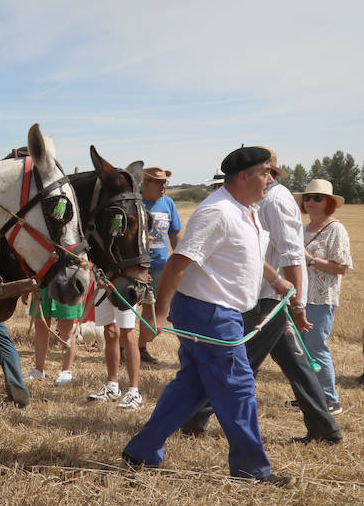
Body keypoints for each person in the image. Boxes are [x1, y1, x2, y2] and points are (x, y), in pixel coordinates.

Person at [121, 146, 291, 485]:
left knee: (192, 386)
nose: (270, 179)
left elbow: (248, 256)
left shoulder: (247, 210)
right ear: (243, 176)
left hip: (219, 310)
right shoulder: (218, 212)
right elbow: (177, 263)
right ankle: (251, 469)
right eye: (266, 172)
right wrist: (160, 314)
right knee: (238, 387)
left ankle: (140, 451)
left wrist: (274, 278)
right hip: (209, 313)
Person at [180, 151, 341, 444]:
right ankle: (324, 428)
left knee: (237, 361)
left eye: (268, 173)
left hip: (268, 297)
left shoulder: (277, 200)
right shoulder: (254, 200)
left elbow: (291, 253)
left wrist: (297, 303)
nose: (266, 178)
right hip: (261, 293)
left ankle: (195, 417)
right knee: (294, 362)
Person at [298, 179, 351, 412]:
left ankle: (330, 399)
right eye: (307, 198)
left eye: (317, 198)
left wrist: (310, 259)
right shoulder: (303, 228)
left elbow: (342, 267)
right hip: (299, 297)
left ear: (328, 202)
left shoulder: (335, 229)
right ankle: (311, 396)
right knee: (301, 349)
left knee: (317, 346)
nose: (310, 202)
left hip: (321, 298)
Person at [136, 167, 182, 364]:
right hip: (136, 266)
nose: (164, 186)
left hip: (159, 267)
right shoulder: (135, 202)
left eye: (165, 182)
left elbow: (175, 233)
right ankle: (123, 348)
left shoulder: (168, 203)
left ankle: (140, 348)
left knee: (150, 308)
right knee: (127, 308)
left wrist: (181, 258)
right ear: (146, 183)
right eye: (159, 182)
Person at [87, 291, 143, 408]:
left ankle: (134, 393)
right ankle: (112, 387)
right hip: (104, 282)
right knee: (109, 332)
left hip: (125, 282)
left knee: (127, 333)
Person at [28, 292, 81, 385]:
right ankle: (38, 370)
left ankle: (66, 371)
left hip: (67, 282)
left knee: (66, 324)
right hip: (43, 281)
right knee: (40, 322)